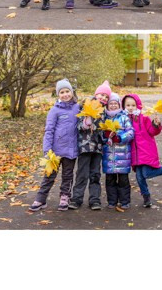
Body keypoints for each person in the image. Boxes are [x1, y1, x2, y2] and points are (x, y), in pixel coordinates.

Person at [122, 93, 162, 209]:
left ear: (138, 106)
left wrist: (156, 125)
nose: (130, 107)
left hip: (146, 151)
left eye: (133, 105)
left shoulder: (143, 118)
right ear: (124, 106)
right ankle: (146, 198)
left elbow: (152, 132)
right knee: (139, 177)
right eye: (127, 105)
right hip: (135, 155)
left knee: (146, 173)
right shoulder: (124, 120)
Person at [27, 78, 80, 213]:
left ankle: (64, 197)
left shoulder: (77, 108)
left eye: (67, 91)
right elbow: (49, 130)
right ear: (58, 95)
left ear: (72, 92)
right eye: (62, 92)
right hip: (55, 151)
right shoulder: (54, 110)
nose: (65, 94)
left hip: (71, 150)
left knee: (68, 175)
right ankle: (41, 198)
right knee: (49, 176)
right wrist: (47, 150)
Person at [70, 80, 111, 210]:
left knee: (95, 174)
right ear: (96, 94)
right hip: (85, 146)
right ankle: (76, 199)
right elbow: (79, 125)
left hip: (98, 148)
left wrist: (106, 138)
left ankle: (95, 200)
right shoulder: (86, 106)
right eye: (101, 95)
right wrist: (86, 123)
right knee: (82, 174)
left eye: (106, 97)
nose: (103, 98)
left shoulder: (104, 111)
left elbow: (103, 129)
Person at [100, 93, 134, 211]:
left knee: (123, 180)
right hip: (108, 156)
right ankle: (112, 201)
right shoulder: (104, 118)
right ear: (107, 105)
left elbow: (130, 133)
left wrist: (119, 138)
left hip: (123, 155)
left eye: (115, 103)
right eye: (111, 104)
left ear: (119, 105)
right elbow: (101, 136)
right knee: (110, 180)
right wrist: (105, 136)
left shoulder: (124, 117)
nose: (113, 106)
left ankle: (124, 201)